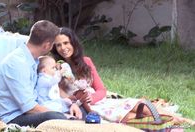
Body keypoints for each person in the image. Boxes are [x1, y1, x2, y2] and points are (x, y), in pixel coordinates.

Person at [51, 27, 195, 125]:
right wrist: (78, 100)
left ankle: (183, 120)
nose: (63, 48)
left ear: (73, 43)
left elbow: (101, 90)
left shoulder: (86, 61)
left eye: (66, 43)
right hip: (89, 109)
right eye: (58, 45)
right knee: (134, 118)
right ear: (54, 48)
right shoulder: (56, 67)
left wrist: (93, 97)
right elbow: (59, 95)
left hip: (101, 101)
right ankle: (167, 123)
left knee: (140, 104)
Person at [0, 20, 81, 127]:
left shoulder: (34, 59)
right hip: (14, 117)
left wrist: (70, 105)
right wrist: (62, 114)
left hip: (33, 108)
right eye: (53, 44)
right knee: (57, 118)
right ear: (46, 45)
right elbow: (30, 108)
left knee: (78, 110)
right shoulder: (17, 63)